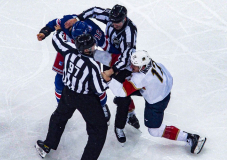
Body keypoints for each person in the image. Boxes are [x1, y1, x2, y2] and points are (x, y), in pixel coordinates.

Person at [102, 50, 207, 154]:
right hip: (159, 89)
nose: (132, 66)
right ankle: (129, 110)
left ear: (142, 67)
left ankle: (190, 137)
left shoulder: (141, 78)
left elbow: (121, 92)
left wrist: (108, 80)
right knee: (126, 87)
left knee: (154, 130)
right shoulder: (147, 62)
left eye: (135, 65)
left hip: (157, 101)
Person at [65, 4, 140, 142]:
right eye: (112, 21)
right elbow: (94, 11)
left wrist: (112, 71)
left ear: (125, 19)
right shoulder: (111, 17)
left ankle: (124, 120)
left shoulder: (130, 31)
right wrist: (77, 18)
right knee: (98, 81)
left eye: (117, 22)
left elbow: (127, 56)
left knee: (123, 93)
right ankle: (103, 104)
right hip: (108, 56)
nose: (114, 24)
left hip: (122, 63)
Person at [35, 25, 110, 159]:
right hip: (86, 99)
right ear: (86, 49)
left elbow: (56, 41)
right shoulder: (91, 65)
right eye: (92, 47)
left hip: (68, 93)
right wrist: (107, 78)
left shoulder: (69, 50)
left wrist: (57, 31)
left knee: (58, 117)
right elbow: (99, 89)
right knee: (99, 130)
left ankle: (47, 145)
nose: (94, 48)